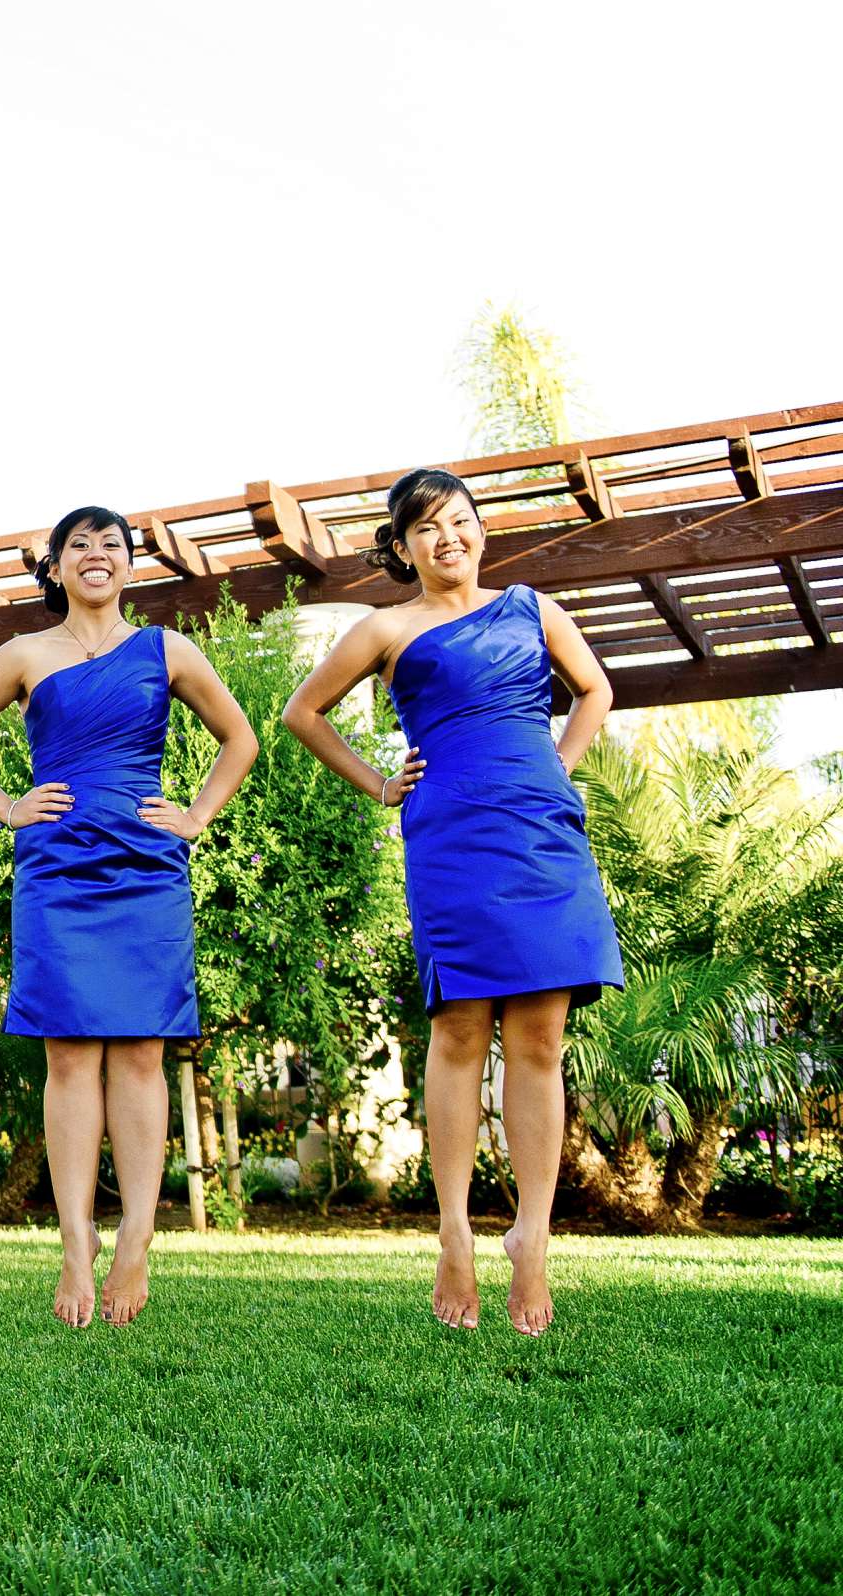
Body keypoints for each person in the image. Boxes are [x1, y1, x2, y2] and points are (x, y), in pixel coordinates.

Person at [282, 468, 622, 1335]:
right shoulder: (384, 628)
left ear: (480, 531)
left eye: (461, 521)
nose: (449, 538)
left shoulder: (531, 607)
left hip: (542, 834)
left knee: (540, 1034)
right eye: (427, 528)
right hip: (451, 836)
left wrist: (560, 769)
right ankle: (456, 1230)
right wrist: (377, 785)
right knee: (461, 1027)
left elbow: (595, 690)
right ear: (401, 548)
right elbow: (302, 713)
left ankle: (533, 1240)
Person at [0, 506, 256, 1328]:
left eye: (113, 546)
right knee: (70, 1056)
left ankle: (138, 1237)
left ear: (131, 566)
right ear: (57, 565)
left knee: (142, 1052)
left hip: (146, 867)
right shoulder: (24, 654)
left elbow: (239, 739)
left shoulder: (167, 649)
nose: (98, 556)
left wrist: (197, 815)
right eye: (82, 546)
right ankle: (76, 1243)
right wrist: (8, 806)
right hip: (60, 868)